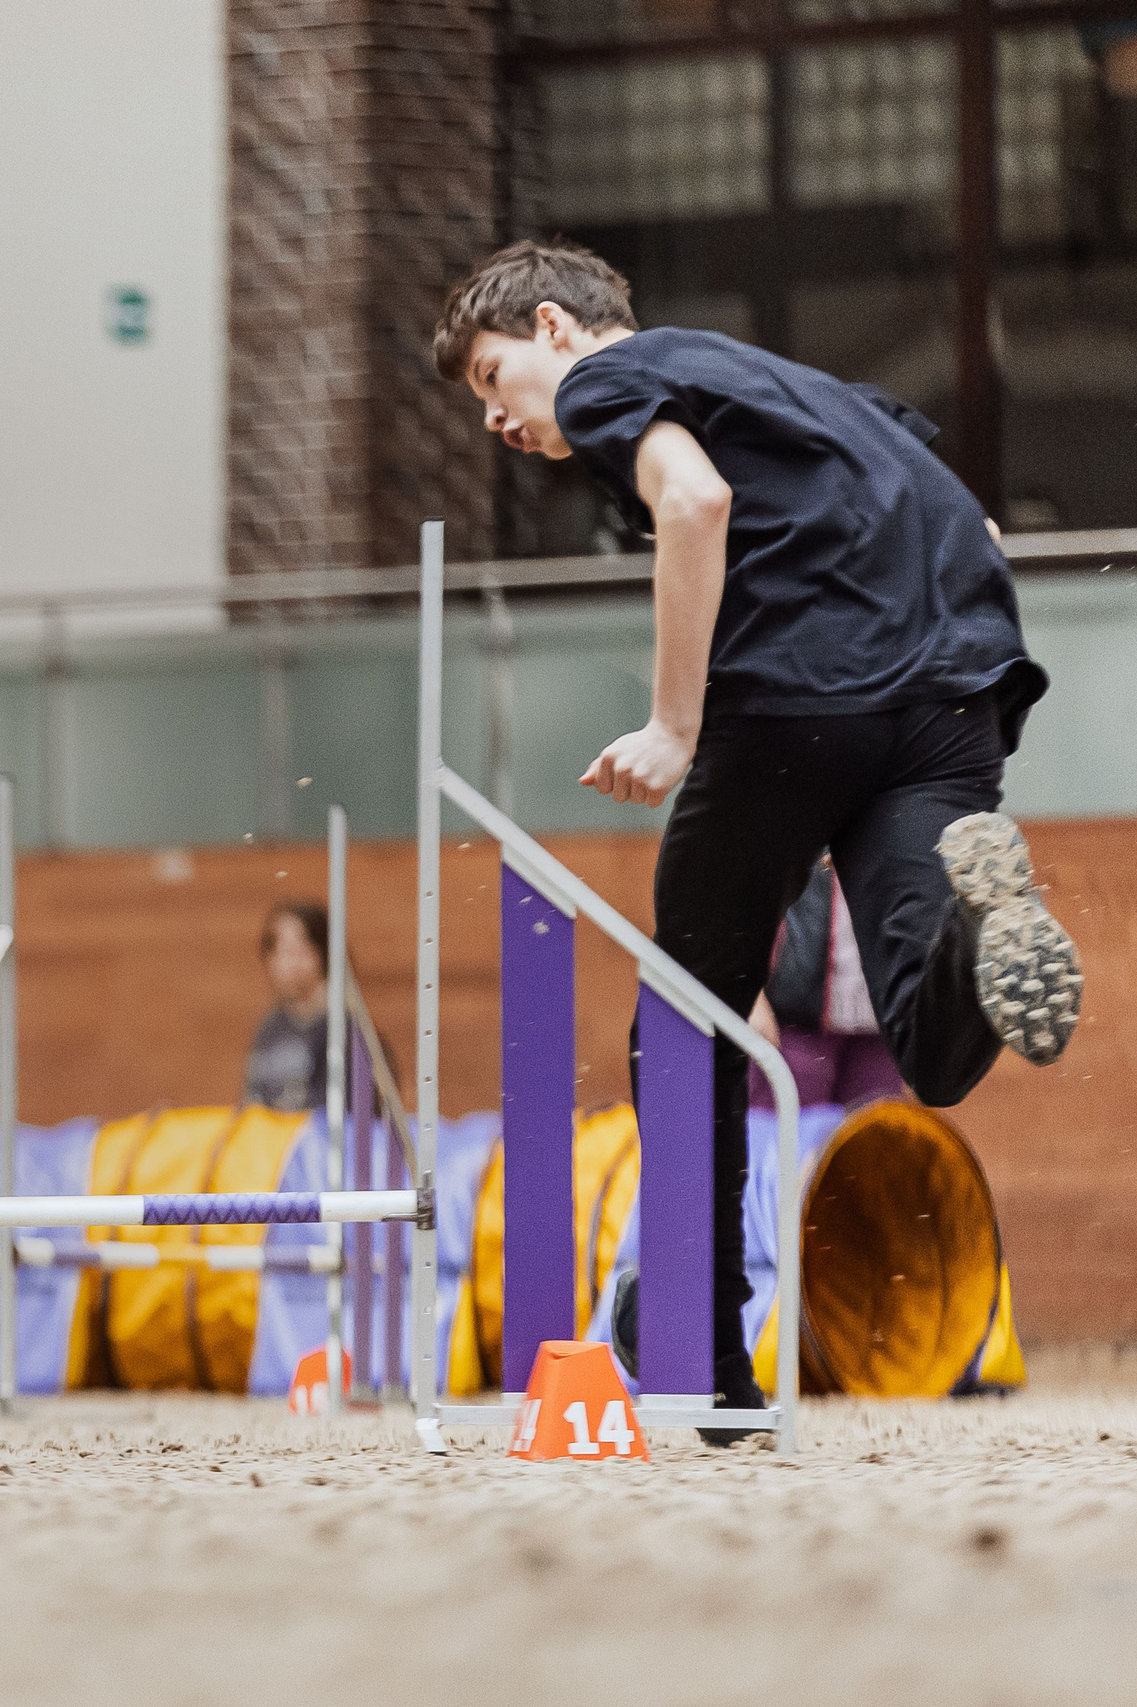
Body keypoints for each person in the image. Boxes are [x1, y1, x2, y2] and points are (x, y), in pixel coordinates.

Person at [434, 238, 1082, 1441]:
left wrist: (675, 725)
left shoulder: (611, 377)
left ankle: (704, 1349)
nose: (495, 419)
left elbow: (693, 500)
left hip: (797, 701)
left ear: (554, 328)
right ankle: (981, 920)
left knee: (691, 1016)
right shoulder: (818, 394)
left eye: (488, 378)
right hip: (954, 700)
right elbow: (979, 529)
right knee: (931, 1050)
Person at [748, 858, 907, 1113]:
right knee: (780, 1141)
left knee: (873, 1143)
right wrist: (751, 994)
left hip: (880, 1022)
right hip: (793, 1017)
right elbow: (738, 881)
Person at [243, 900, 330, 1112]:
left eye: (297, 950)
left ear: (322, 954)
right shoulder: (270, 1028)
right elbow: (253, 1101)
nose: (286, 964)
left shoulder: (344, 1028)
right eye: (278, 951)